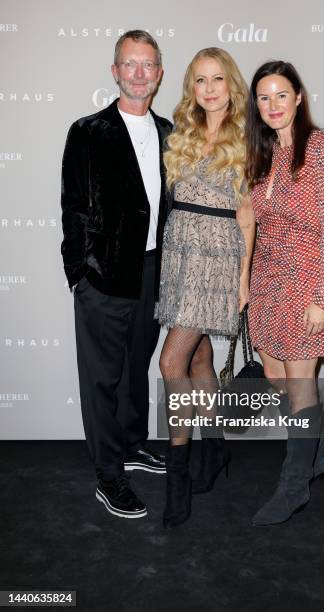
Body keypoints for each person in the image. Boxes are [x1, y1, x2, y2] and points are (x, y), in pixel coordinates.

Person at [60, 30, 172, 519]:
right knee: (102, 379)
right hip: (103, 278)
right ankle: (109, 475)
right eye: (131, 64)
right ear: (115, 72)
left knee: (135, 369)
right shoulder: (88, 131)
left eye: (148, 64)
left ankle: (131, 444)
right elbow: (73, 209)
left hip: (153, 272)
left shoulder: (171, 132)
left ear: (160, 73)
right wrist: (79, 276)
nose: (140, 73)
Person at [245, 61, 324, 525]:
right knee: (277, 376)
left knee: (301, 382)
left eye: (281, 95)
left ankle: (294, 485)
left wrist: (322, 297)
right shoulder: (262, 155)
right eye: (264, 97)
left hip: (307, 282)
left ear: (299, 98)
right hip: (267, 284)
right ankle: (319, 453)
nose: (272, 105)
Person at [157, 48, 254, 528]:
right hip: (179, 254)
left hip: (216, 257)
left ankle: (178, 478)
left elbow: (248, 216)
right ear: (190, 87)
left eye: (218, 79)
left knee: (171, 361)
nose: (210, 88)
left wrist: (243, 279)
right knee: (197, 358)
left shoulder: (247, 138)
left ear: (230, 84)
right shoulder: (183, 134)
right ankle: (215, 450)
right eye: (200, 80)